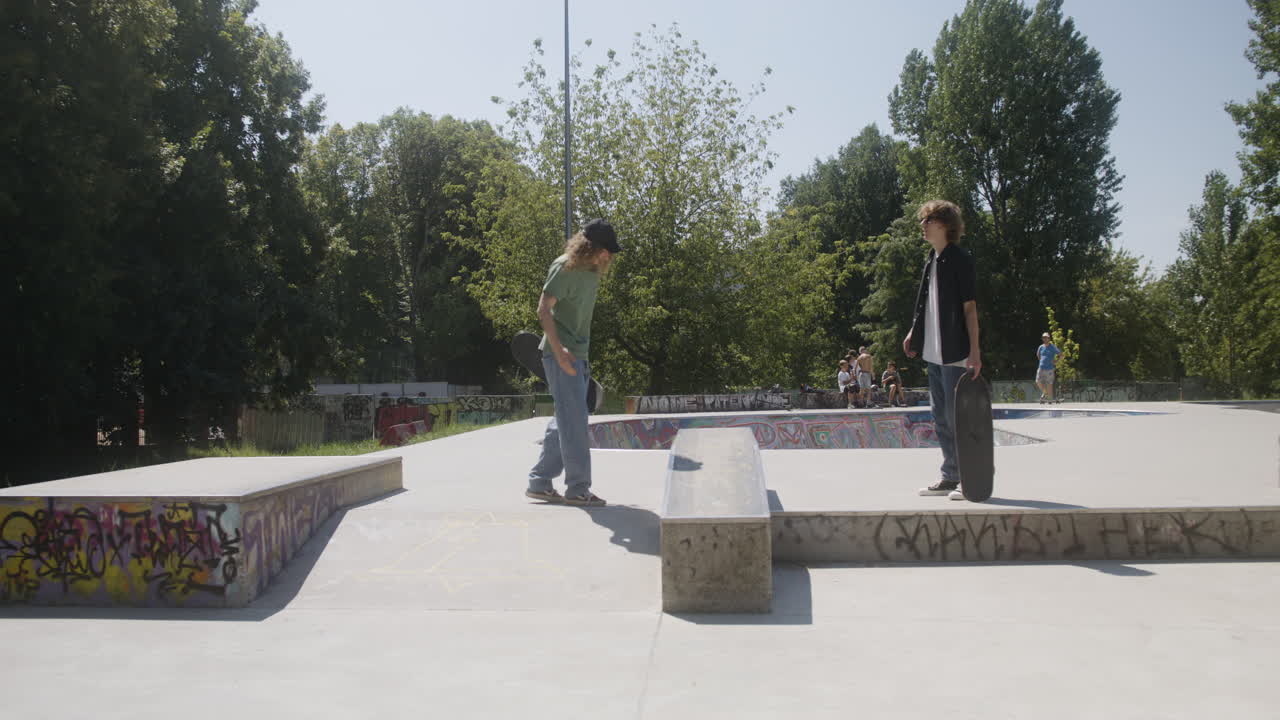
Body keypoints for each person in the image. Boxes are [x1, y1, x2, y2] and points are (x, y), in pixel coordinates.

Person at [526, 219, 622, 507]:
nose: (609, 257)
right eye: (606, 251)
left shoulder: (591, 271)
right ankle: (578, 488)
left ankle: (540, 482)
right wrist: (560, 350)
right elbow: (543, 310)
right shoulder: (564, 268)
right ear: (590, 246)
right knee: (575, 421)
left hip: (578, 355)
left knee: (566, 419)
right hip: (560, 356)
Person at [902, 200, 983, 501]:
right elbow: (926, 305)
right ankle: (951, 475)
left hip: (955, 352)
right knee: (939, 417)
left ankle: (970, 478)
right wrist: (914, 331)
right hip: (933, 353)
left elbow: (970, 308)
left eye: (927, 220)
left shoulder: (960, 259)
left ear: (943, 224)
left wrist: (974, 352)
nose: (922, 226)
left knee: (956, 417)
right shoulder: (931, 260)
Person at [1036, 332, 1061, 404]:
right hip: (1041, 367)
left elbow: (1061, 355)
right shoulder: (1041, 347)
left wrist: (1056, 362)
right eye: (1044, 337)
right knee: (1038, 381)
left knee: (1049, 384)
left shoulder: (1052, 347)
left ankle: (1050, 398)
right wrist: (1041, 361)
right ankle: (1045, 393)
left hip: (1050, 368)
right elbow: (1038, 355)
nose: (1045, 339)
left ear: (1049, 338)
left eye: (1046, 337)